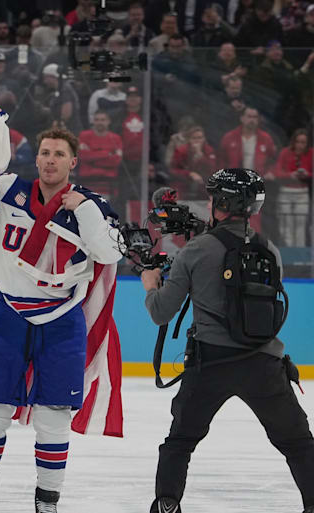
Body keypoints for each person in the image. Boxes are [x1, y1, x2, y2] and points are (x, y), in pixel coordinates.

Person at [0, 126, 122, 513]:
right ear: (37, 158)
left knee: (53, 415)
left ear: (73, 162)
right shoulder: (8, 189)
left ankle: (47, 501)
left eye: (59, 154)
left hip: (62, 320)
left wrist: (82, 208)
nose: (50, 160)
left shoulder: (91, 204)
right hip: (8, 313)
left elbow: (110, 253)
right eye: (45, 152)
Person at [141, 168, 314, 513]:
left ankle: (167, 505)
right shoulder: (271, 250)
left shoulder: (196, 250)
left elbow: (161, 312)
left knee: (180, 443)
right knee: (298, 444)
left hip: (210, 365)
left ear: (219, 202)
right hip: (265, 364)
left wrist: (150, 284)